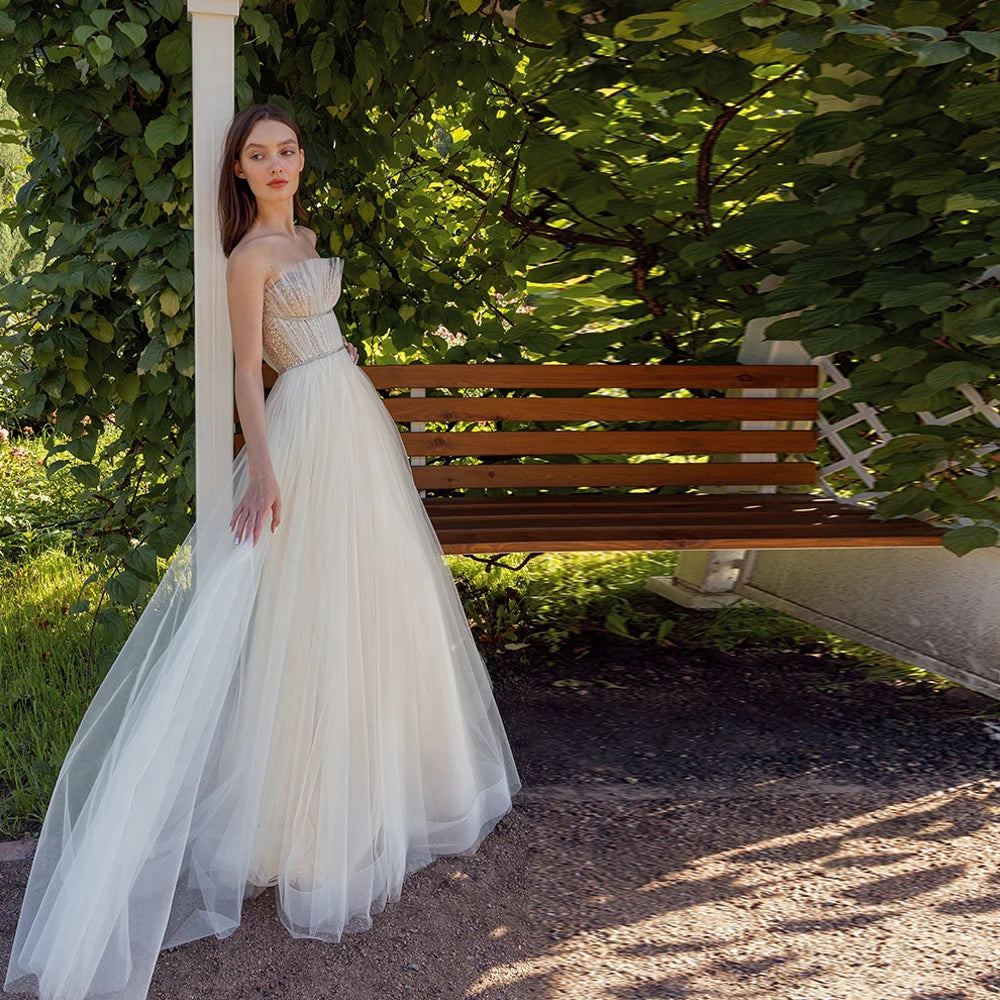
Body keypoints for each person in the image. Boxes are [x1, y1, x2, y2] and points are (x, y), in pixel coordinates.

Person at [3, 103, 522, 1000]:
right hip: (306, 435)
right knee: (302, 611)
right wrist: (265, 473)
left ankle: (370, 800)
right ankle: (295, 822)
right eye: (258, 154)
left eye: (285, 150)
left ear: (300, 160)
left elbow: (309, 339)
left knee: (369, 601)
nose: (276, 163)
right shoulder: (247, 260)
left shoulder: (307, 236)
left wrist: (336, 350)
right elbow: (248, 367)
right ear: (238, 172)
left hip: (350, 417)